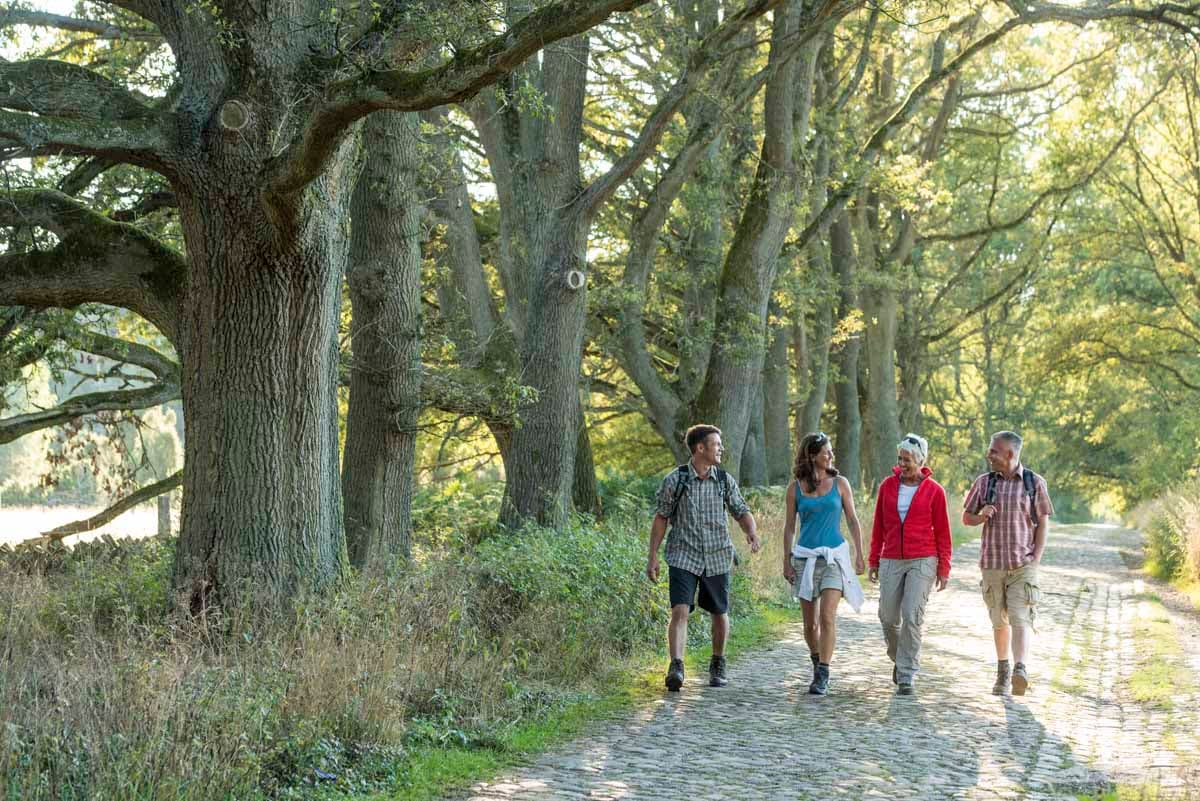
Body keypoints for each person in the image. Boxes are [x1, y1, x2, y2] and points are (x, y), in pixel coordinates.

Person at [647, 424, 760, 692]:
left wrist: (751, 533)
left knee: (719, 612)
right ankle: (676, 665)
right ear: (700, 448)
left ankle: (718, 662)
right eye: (716, 444)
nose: (721, 449)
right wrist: (652, 556)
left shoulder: (723, 480)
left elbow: (741, 510)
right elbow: (661, 518)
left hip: (718, 555)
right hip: (683, 555)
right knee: (680, 610)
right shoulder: (675, 480)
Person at [962, 430, 1054, 696]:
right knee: (998, 620)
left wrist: (1036, 558)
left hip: (1022, 565)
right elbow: (967, 517)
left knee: (1020, 616)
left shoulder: (1034, 483)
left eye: (994, 451)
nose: (989, 455)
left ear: (1010, 454)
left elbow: (1043, 521)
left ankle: (1020, 669)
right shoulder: (984, 482)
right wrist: (981, 516)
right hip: (991, 564)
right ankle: (1003, 672)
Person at [868, 433, 952, 696]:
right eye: (899, 459)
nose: (902, 464)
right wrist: (873, 559)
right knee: (887, 616)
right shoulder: (887, 487)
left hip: (923, 558)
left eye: (907, 460)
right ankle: (899, 657)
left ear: (920, 460)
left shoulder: (935, 491)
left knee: (912, 616)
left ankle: (906, 674)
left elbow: (943, 532)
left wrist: (944, 567)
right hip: (891, 557)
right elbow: (878, 527)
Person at [782, 432, 866, 696]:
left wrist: (859, 553)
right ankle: (816, 659)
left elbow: (852, 520)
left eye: (831, 451)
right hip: (805, 559)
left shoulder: (840, 483)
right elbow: (788, 527)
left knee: (827, 616)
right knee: (810, 625)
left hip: (833, 559)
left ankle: (823, 673)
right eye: (825, 451)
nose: (830, 455)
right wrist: (786, 560)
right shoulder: (795, 488)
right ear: (811, 455)